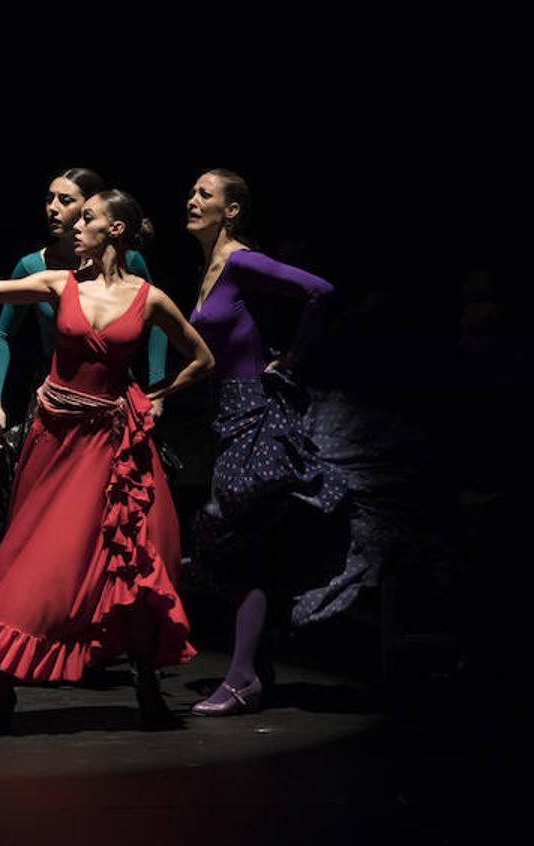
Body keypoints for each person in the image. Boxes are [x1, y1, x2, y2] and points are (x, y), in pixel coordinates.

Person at [0, 189, 215, 733]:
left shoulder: (149, 297)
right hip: (57, 442)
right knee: (35, 560)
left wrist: (156, 395)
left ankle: (147, 688)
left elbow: (202, 357)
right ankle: (3, 691)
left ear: (116, 231)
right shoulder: (61, 283)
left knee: (128, 564)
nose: (74, 227)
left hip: (116, 447)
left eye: (86, 219)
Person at [181, 169, 356, 716]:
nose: (192, 199)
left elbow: (320, 291)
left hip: (255, 412)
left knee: (231, 536)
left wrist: (293, 358)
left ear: (231, 211)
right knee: (238, 545)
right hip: (225, 415)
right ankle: (254, 665)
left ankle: (242, 676)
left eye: (205, 194)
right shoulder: (210, 267)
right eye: (192, 191)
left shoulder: (239, 260)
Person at [0, 167, 166, 438]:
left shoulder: (128, 261)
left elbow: (159, 324)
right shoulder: (33, 267)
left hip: (111, 389)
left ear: (91, 207)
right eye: (49, 199)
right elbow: (3, 334)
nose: (52, 208)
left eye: (65, 200)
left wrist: (157, 392)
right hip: (53, 390)